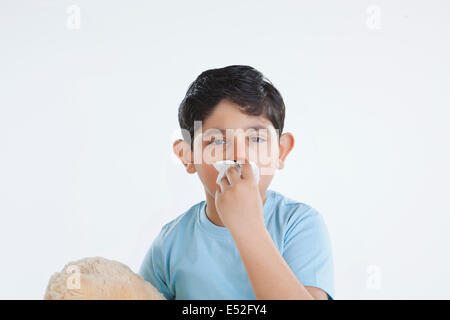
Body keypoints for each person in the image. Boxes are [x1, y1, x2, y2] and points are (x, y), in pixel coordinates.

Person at [139, 65, 335, 300]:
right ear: (188, 156)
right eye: (216, 141)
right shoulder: (169, 244)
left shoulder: (300, 224)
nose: (239, 155)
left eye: (255, 138)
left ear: (281, 151)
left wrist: (248, 226)